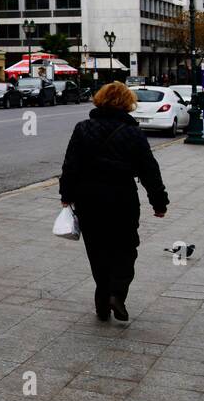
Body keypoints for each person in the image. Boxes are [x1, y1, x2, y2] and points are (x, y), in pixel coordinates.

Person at [59, 81, 168, 322]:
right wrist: (159, 202)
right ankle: (117, 293)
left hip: (89, 199)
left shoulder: (83, 128)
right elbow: (150, 170)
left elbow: (70, 165)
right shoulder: (133, 133)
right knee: (126, 248)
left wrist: (66, 196)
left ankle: (102, 301)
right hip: (122, 198)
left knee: (97, 251)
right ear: (128, 103)